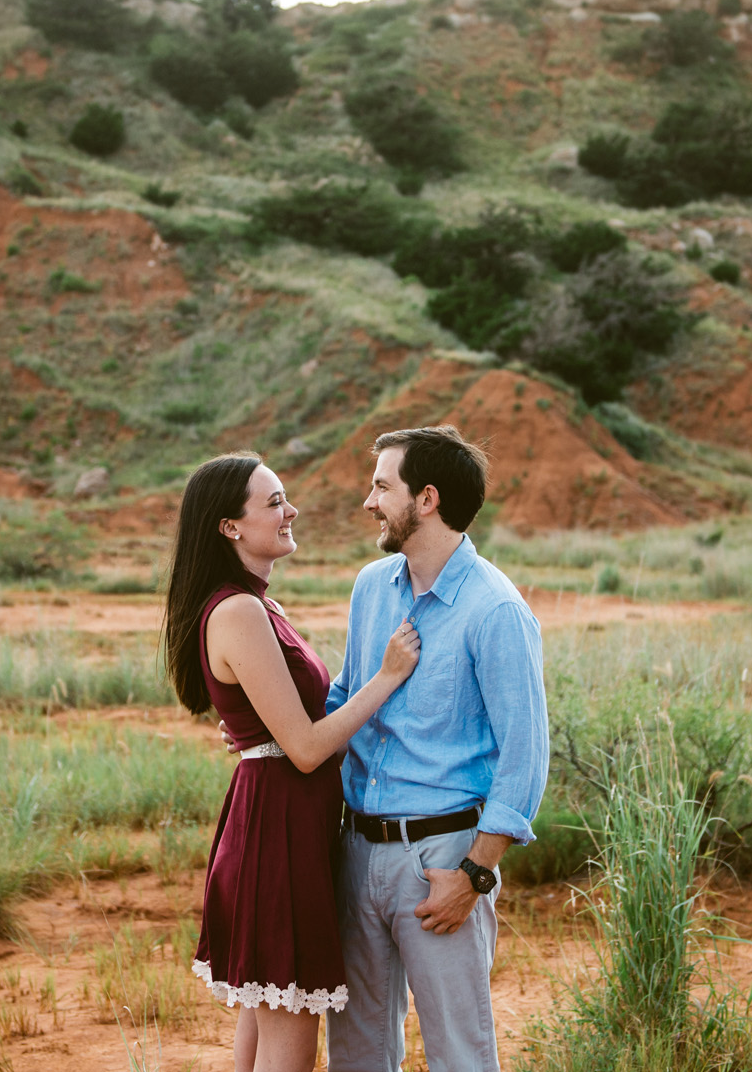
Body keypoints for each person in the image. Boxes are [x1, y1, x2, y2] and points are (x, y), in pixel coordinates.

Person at [163, 451, 423, 1072]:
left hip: (280, 819)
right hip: (275, 828)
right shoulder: (239, 610)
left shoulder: (258, 605)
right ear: (230, 526)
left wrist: (266, 744)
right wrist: (386, 678)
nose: (291, 511)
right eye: (274, 501)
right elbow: (306, 749)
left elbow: (289, 732)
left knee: (264, 1021)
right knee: (290, 1041)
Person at [324, 426, 549, 1072]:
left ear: (426, 499)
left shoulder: (495, 610)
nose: (369, 502)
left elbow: (525, 755)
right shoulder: (371, 586)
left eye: (381, 487)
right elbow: (345, 697)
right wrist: (274, 735)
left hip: (442, 860)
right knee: (357, 1052)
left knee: (459, 1055)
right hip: (356, 852)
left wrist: (475, 875)